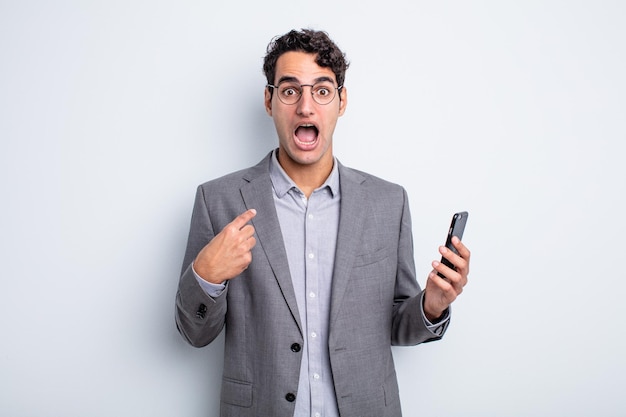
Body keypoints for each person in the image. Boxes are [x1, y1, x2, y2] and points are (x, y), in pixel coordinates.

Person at [175, 28, 470, 417]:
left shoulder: (388, 202)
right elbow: (195, 334)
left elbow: (398, 325)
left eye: (322, 90)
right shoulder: (219, 200)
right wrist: (206, 277)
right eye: (290, 90)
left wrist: (431, 306)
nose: (306, 107)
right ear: (269, 100)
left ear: (341, 100)